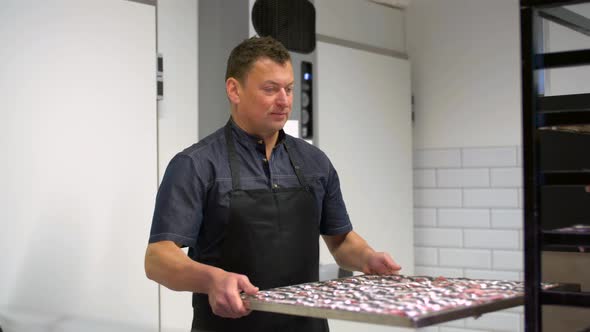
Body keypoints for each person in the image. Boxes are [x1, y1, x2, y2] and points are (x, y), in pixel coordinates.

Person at [144, 36, 401, 332]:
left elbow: (340, 240)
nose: (284, 100)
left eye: (289, 89)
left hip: (308, 327)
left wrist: (368, 258)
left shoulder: (315, 163)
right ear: (234, 90)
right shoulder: (197, 165)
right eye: (270, 89)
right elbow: (158, 258)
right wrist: (212, 279)